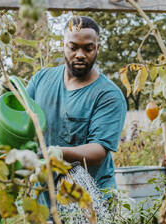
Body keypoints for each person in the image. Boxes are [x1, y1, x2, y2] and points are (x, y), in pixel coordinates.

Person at [25, 16, 127, 191]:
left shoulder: (108, 95)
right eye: (73, 47)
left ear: (97, 48)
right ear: (63, 45)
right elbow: (20, 119)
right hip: (45, 194)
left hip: (90, 197)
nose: (80, 55)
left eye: (88, 48)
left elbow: (98, 152)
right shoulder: (41, 80)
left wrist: (59, 153)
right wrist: (7, 93)